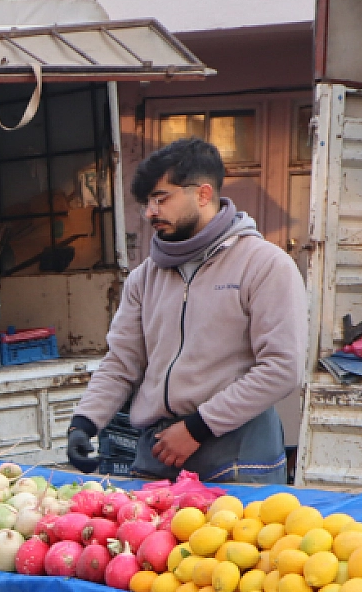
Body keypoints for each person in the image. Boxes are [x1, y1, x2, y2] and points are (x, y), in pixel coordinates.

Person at [69, 139, 305, 484]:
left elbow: (283, 368)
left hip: (237, 456)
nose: (150, 212)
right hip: (158, 453)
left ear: (203, 194)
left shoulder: (265, 265)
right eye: (147, 202)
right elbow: (122, 361)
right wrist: (85, 422)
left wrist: (198, 427)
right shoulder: (144, 277)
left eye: (161, 198)